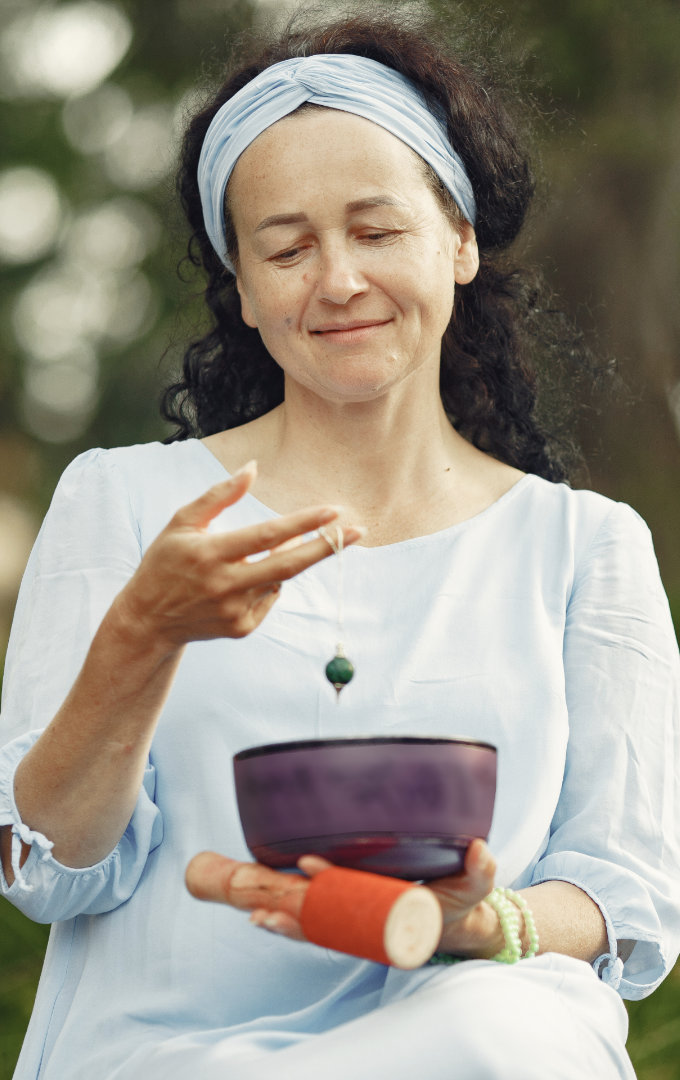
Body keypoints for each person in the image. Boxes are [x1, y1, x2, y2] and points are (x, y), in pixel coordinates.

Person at [1, 7, 679, 1078]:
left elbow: (621, 896)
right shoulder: (126, 504)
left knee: (499, 1028)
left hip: (474, 1041)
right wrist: (143, 634)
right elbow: (56, 871)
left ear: (456, 241)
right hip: (171, 1059)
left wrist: (473, 923)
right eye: (287, 246)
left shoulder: (584, 548)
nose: (337, 280)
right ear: (242, 289)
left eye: (375, 230)